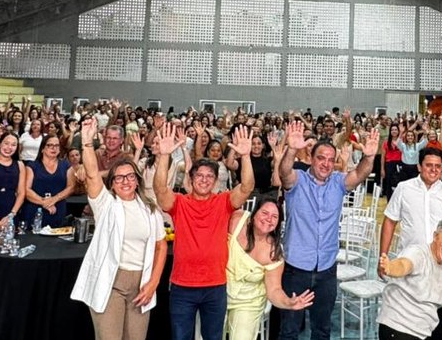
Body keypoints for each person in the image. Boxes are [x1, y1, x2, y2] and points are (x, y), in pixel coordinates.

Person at [153, 121, 254, 340]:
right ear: (190, 179)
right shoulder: (179, 203)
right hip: (182, 286)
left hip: (215, 286)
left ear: (216, 181)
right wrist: (163, 155)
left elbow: (246, 187)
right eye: (199, 175)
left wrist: (245, 156)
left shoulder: (224, 202)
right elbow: (160, 189)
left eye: (209, 176)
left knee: (213, 337)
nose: (204, 180)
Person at [278, 119, 378, 340]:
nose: (325, 164)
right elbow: (284, 172)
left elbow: (360, 174)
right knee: (289, 330)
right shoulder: (297, 181)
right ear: (311, 160)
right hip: (296, 270)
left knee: (322, 329)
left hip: (326, 271)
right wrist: (292, 149)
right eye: (321, 158)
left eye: (331, 160)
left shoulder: (338, 183)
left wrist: (369, 157)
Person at [71, 117, 168, 340]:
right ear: (112, 183)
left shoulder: (150, 209)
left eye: (130, 177)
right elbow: (93, 173)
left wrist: (153, 284)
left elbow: (160, 246)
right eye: (119, 178)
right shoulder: (105, 204)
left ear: (137, 180)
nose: (125, 181)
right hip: (110, 283)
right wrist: (87, 142)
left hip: (140, 286)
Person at [381, 147, 442, 340]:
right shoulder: (404, 188)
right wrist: (382, 256)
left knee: (437, 320)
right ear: (419, 166)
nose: (433, 170)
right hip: (409, 266)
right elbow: (389, 221)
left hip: (439, 268)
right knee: (405, 319)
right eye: (429, 165)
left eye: (437, 166)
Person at [377, 219, 442, 340]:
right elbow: (404, 265)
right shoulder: (418, 253)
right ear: (435, 237)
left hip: (422, 332)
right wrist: (389, 268)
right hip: (397, 327)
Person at [226, 197, 315, 340]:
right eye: (264, 213)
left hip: (248, 302)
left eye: (274, 217)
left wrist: (288, 302)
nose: (269, 219)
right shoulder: (237, 220)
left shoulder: (274, 252)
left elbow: (274, 290)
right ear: (254, 213)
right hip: (217, 293)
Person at [23, 133, 75, 228]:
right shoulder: (32, 166)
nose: (53, 148)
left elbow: (71, 187)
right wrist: (45, 203)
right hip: (35, 210)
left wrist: (54, 199)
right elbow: (27, 190)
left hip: (58, 210)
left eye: (56, 145)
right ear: (42, 148)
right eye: (50, 145)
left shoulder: (66, 165)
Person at [0, 131, 25, 233]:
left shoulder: (20, 165)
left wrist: (12, 214)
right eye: (6, 143)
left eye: (13, 145)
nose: (9, 147)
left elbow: (21, 193)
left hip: (11, 212)